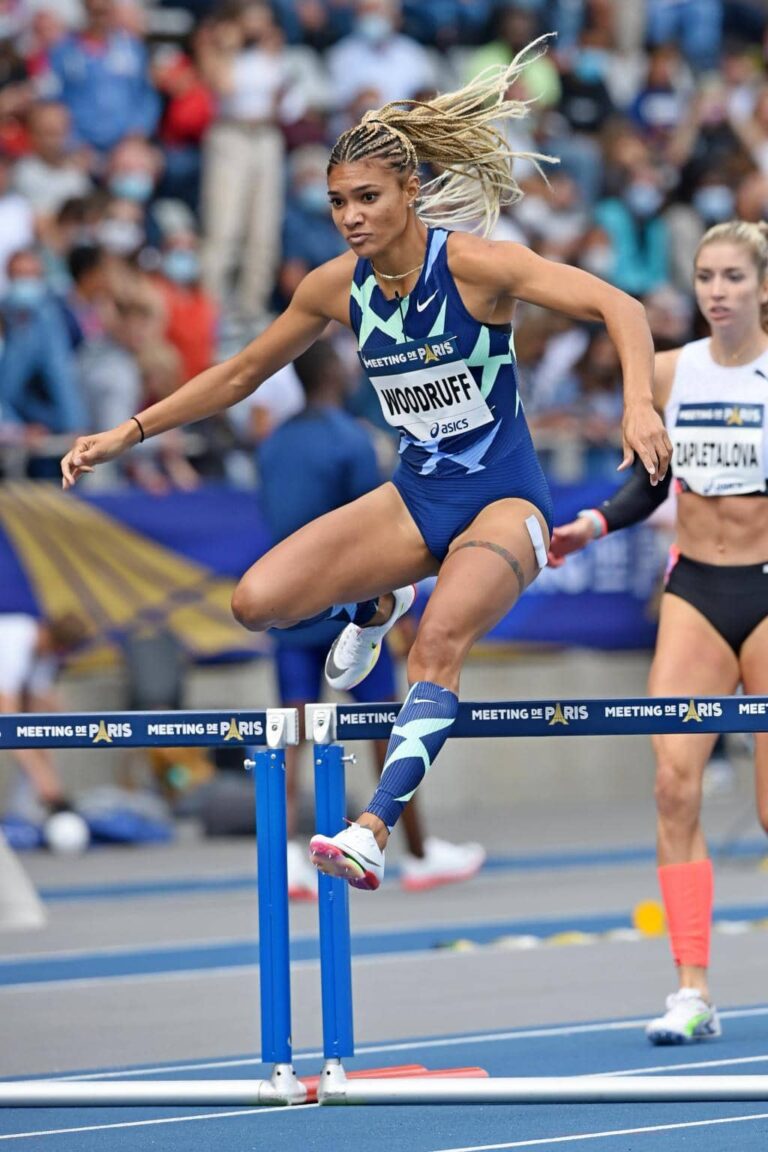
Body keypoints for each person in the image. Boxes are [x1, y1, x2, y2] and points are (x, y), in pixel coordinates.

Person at [61, 46, 671, 895]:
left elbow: (621, 305)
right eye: (338, 202)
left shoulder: (476, 268)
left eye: (368, 198)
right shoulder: (333, 288)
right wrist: (127, 431)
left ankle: (374, 828)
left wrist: (639, 404)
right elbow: (239, 377)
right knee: (255, 603)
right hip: (415, 496)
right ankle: (376, 601)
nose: (350, 216)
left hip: (503, 501)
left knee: (442, 644)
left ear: (411, 193)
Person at [548, 219, 768, 1046]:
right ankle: (692, 989)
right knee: (673, 785)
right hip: (697, 590)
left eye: (733, 278)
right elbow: (648, 484)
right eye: (706, 276)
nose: (716, 291)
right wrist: (594, 525)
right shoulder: (671, 373)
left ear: (763, 288)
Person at [258, 338, 485, 897]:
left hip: (293, 606)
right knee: (392, 726)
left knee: (290, 731)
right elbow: (378, 538)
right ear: (332, 375)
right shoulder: (351, 442)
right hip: (351, 610)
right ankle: (415, 850)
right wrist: (394, 612)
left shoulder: (272, 445)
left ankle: (285, 856)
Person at [0, 611, 90, 846]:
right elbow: (10, 726)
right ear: (51, 638)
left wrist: (54, 785)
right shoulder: (12, 643)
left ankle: (27, 810)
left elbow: (44, 718)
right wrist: (48, 786)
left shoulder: (43, 653)